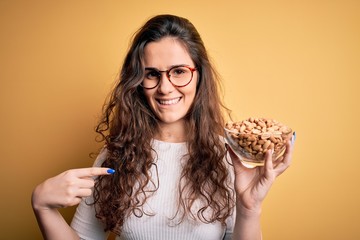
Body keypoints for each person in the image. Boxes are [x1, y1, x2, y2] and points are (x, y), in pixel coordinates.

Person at [31, 14, 295, 240]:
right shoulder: (116, 156)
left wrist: (249, 208)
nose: (165, 87)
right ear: (137, 80)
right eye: (152, 74)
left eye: (179, 71)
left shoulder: (230, 158)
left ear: (199, 75)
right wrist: (42, 206)